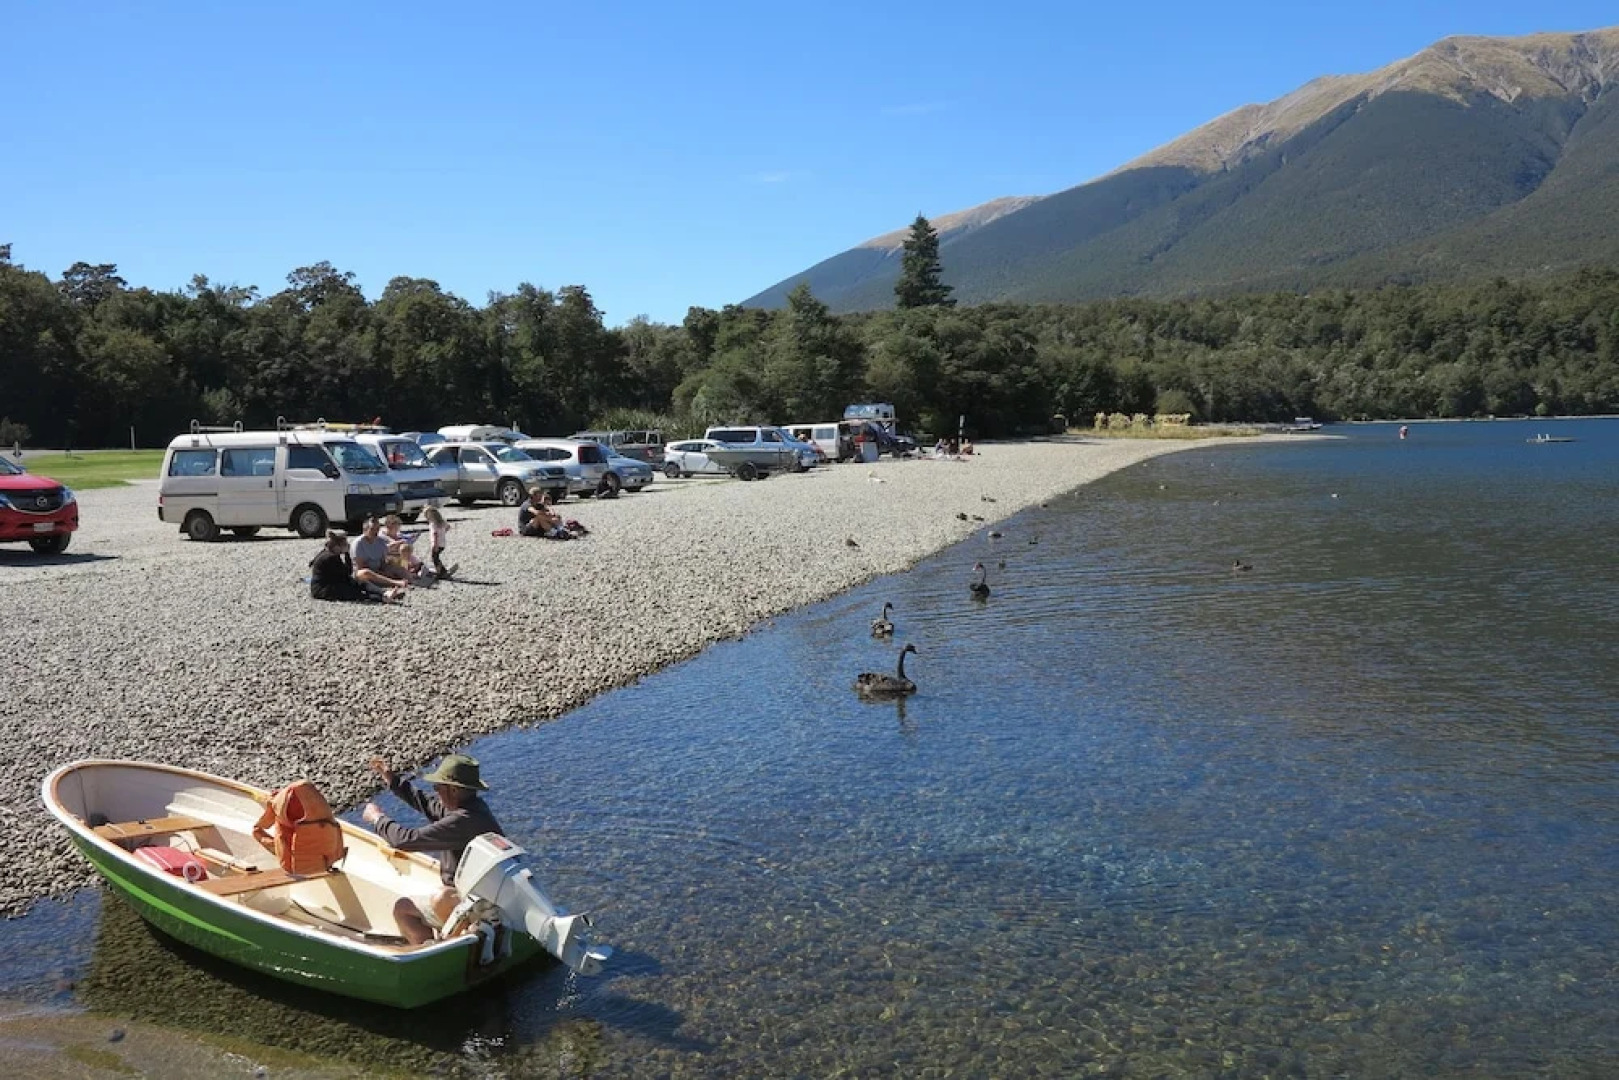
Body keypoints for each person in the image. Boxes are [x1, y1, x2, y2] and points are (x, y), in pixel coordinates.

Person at [362, 754, 503, 945]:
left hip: (471, 905)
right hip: (489, 898)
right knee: (441, 897)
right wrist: (392, 780)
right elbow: (428, 804)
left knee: (403, 908)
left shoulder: (461, 821)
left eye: (437, 787)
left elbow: (405, 840)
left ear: (453, 790)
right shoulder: (473, 809)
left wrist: (377, 818)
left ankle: (432, 950)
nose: (435, 792)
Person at [308, 531, 403, 603]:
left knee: (361, 583)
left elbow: (345, 574)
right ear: (338, 546)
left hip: (333, 582)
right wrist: (347, 554)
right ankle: (383, 598)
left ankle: (384, 593)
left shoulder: (328, 553)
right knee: (356, 593)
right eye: (345, 545)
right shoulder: (330, 557)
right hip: (323, 589)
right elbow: (347, 572)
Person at [352, 516, 410, 591]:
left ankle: (412, 580)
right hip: (365, 572)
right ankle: (396, 583)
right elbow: (360, 566)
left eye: (377, 529)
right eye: (372, 529)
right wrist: (382, 573)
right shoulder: (358, 544)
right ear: (365, 530)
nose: (375, 532)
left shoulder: (380, 541)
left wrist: (389, 568)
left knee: (398, 567)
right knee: (366, 573)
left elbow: (383, 562)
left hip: (378, 569)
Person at [422, 505, 456, 579]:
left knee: (434, 558)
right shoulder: (442, 522)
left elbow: (435, 534)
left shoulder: (433, 524)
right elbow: (448, 527)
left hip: (436, 543)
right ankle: (442, 571)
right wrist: (443, 533)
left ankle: (441, 572)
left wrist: (434, 544)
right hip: (442, 543)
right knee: (436, 557)